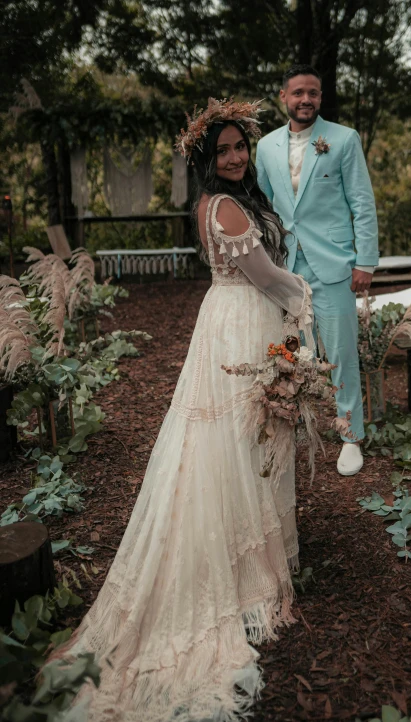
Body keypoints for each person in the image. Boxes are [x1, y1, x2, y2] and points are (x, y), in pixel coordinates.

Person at [50, 98, 313, 722]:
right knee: (236, 437)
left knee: (244, 438)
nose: (234, 157)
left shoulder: (229, 201)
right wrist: (304, 298)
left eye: (239, 147)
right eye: (221, 150)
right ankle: (237, 567)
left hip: (231, 321)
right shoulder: (223, 206)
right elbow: (264, 276)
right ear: (206, 159)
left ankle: (248, 550)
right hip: (241, 320)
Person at [256, 64, 380, 477]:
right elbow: (263, 207)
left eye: (313, 92)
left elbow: (362, 203)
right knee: (290, 350)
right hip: (285, 266)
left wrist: (365, 261)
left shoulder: (343, 140)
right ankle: (298, 423)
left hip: (335, 264)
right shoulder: (267, 146)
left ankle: (349, 435)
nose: (305, 99)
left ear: (320, 98)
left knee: (341, 353)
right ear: (283, 97)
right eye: (298, 93)